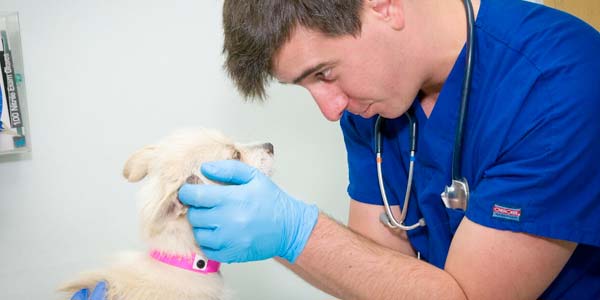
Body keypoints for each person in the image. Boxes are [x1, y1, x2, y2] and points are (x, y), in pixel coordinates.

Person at [73, 0, 600, 299]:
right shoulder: (372, 105)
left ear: (382, 5)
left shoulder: (557, 85)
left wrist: (293, 231)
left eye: (323, 73)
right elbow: (377, 276)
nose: (329, 109)